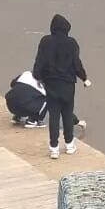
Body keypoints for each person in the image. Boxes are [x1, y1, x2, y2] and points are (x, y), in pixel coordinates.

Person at [32, 13, 90, 160]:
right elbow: (77, 64)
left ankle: (54, 149)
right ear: (66, 28)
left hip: (51, 85)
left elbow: (40, 61)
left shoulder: (45, 42)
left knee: (54, 117)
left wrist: (37, 76)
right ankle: (70, 145)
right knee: (67, 114)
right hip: (68, 86)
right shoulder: (72, 43)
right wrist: (84, 78)